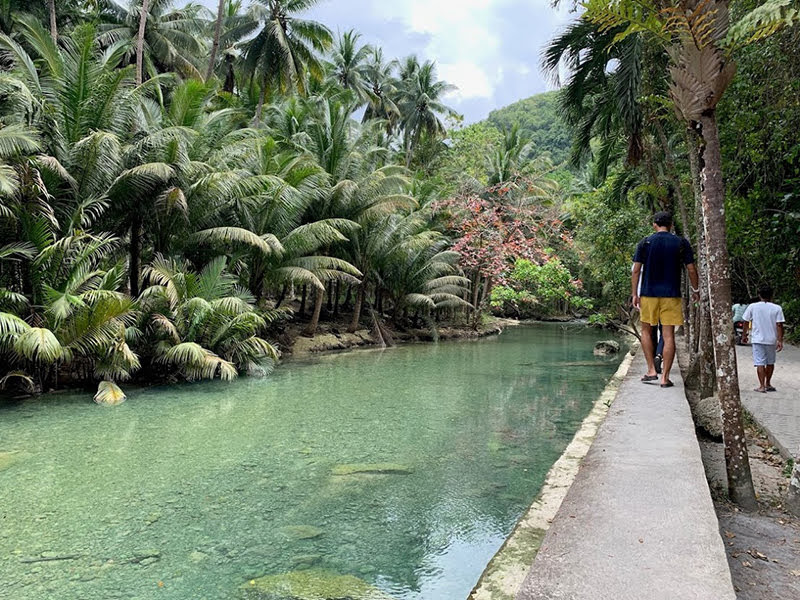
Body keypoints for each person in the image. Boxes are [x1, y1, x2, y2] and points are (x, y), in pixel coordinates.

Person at [632, 211, 700, 388]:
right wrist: (696, 289)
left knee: (646, 331)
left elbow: (636, 270)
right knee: (668, 335)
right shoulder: (680, 243)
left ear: (655, 224)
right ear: (670, 225)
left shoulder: (645, 242)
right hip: (671, 294)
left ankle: (651, 370)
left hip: (648, 294)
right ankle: (665, 378)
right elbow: (691, 269)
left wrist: (634, 294)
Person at [741, 285, 785, 393]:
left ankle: (761, 386)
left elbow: (746, 321)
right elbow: (779, 325)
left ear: (759, 295)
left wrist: (744, 335)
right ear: (772, 295)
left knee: (760, 362)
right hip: (771, 339)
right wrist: (780, 340)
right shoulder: (777, 308)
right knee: (770, 362)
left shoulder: (753, 307)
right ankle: (768, 383)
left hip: (757, 339)